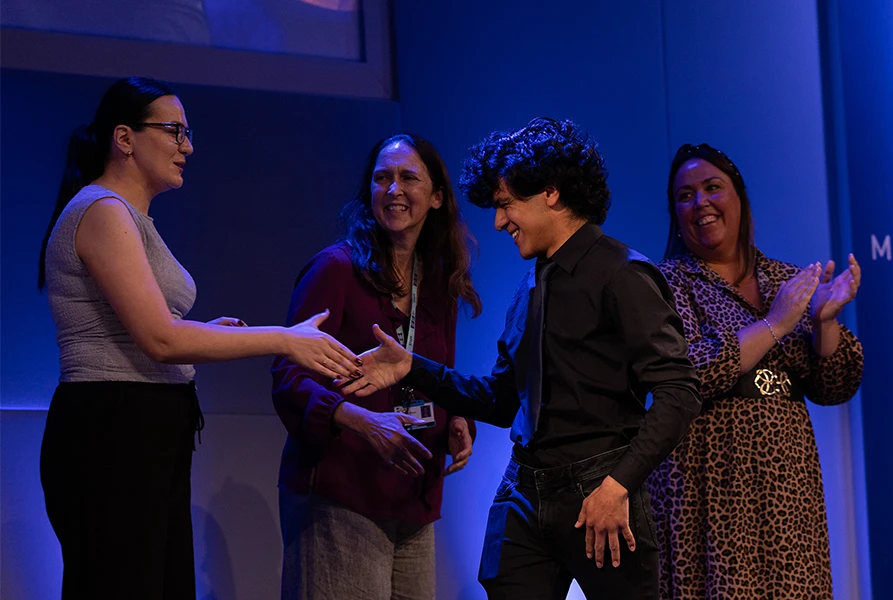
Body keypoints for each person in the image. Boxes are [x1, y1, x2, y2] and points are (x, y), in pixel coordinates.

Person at [340, 118, 702, 600]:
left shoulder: (623, 274)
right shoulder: (531, 286)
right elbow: (501, 398)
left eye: (507, 205)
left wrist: (618, 486)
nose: (498, 222)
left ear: (551, 193)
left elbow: (678, 393)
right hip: (525, 489)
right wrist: (413, 367)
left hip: (600, 486)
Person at [37, 77, 361, 600]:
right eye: (174, 131)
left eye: (188, 133)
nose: (188, 147)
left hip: (143, 426)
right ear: (124, 138)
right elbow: (160, 341)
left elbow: (153, 330)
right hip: (111, 429)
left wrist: (202, 334)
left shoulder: (127, 216)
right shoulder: (101, 210)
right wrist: (283, 339)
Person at [646, 143, 864, 599]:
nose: (700, 202)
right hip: (707, 481)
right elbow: (688, 372)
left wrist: (824, 322)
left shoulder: (787, 280)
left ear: (739, 200)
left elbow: (836, 384)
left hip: (788, 483)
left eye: (712, 188)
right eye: (684, 196)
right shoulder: (664, 284)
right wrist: (775, 324)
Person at [271, 133, 482, 600]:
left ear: (437, 197)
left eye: (408, 177)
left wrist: (456, 419)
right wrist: (363, 422)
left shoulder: (437, 284)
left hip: (413, 497)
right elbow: (288, 380)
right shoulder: (335, 270)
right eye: (382, 178)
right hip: (341, 491)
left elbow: (434, 375)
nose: (393, 189)